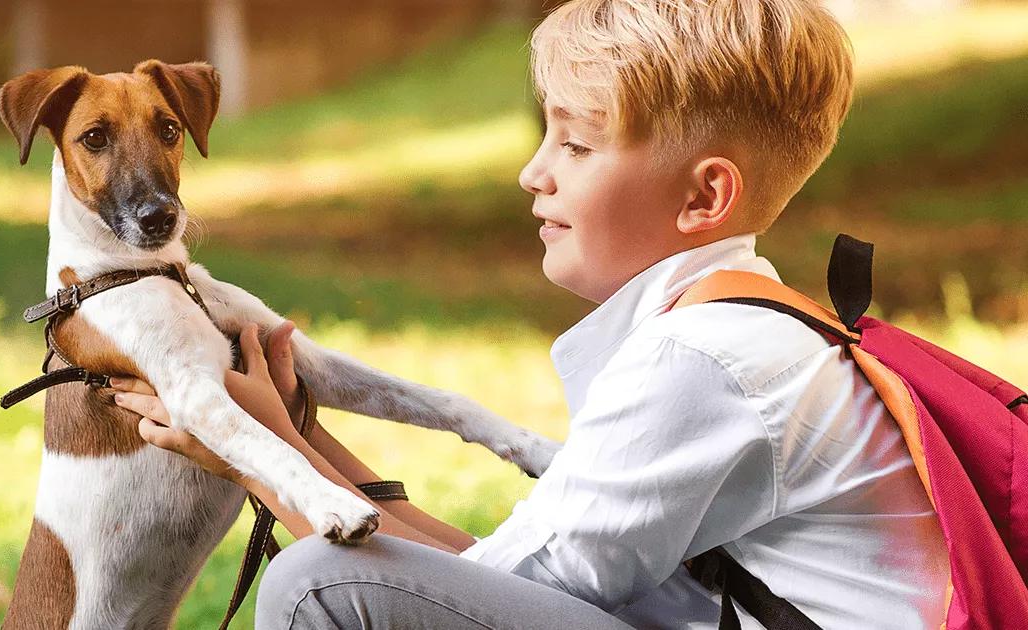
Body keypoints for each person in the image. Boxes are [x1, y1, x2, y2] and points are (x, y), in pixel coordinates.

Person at [109, 1, 950, 627]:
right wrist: (301, 434)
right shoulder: (740, 328)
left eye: (577, 146)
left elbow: (477, 601)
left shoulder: (705, 361)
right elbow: (484, 581)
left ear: (706, 195)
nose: (533, 173)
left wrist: (255, 457)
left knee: (315, 585)